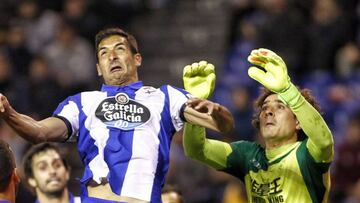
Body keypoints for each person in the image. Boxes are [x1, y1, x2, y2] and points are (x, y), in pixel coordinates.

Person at [0, 27, 234, 203]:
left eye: (119, 49)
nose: (111, 56)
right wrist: (9, 113)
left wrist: (219, 115)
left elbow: (219, 124)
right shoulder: (82, 102)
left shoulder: (165, 96)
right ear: (98, 68)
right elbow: (40, 132)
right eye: (103, 53)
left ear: (137, 59)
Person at [183, 48, 334, 203]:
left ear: (298, 122)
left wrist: (288, 91)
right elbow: (196, 149)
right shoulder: (247, 155)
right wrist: (194, 103)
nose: (269, 112)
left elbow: (324, 140)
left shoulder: (306, 154)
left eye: (280, 107)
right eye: (265, 108)